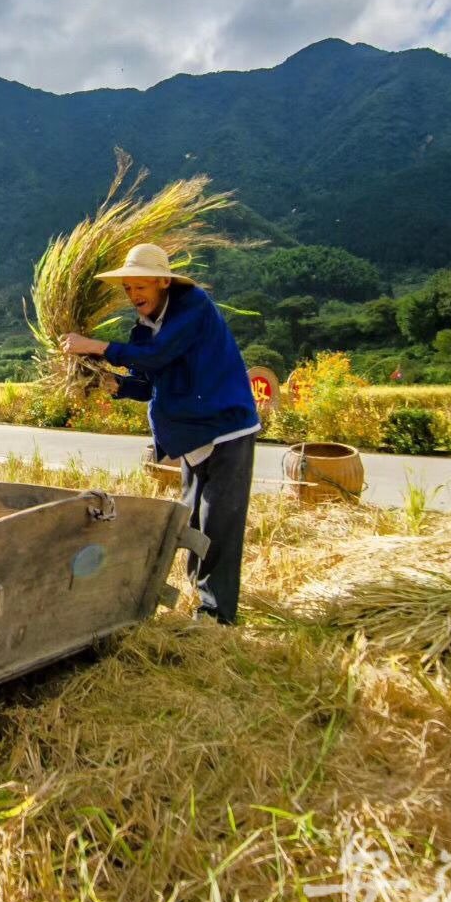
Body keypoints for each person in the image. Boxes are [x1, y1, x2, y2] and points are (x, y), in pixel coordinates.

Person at [61, 243, 258, 626]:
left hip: (225, 428)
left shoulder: (192, 306)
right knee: (190, 521)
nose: (134, 296)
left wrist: (96, 347)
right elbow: (149, 381)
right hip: (189, 436)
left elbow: (159, 355)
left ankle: (218, 615)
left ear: (163, 282)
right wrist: (113, 384)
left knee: (219, 522)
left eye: (141, 287)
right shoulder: (142, 331)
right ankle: (198, 597)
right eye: (128, 289)